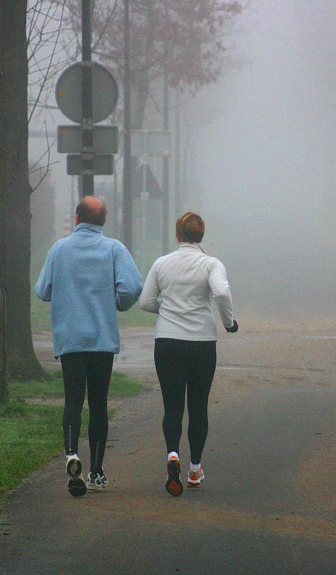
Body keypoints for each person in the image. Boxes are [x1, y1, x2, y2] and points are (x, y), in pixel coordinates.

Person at [35, 196, 142, 497]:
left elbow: (43, 290)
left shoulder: (59, 249)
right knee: (98, 403)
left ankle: (71, 453)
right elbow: (133, 286)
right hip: (101, 339)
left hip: (70, 339)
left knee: (72, 400)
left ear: (77, 217)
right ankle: (96, 470)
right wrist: (119, 302)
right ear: (104, 221)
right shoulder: (114, 249)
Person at [139, 212, 238, 496]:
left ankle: (172, 455)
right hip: (201, 343)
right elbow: (221, 293)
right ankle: (195, 469)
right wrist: (229, 323)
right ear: (201, 236)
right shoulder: (211, 264)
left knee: (172, 406)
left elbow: (145, 302)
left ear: (178, 235)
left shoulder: (161, 264)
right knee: (198, 407)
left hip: (168, 342)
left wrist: (169, 309)